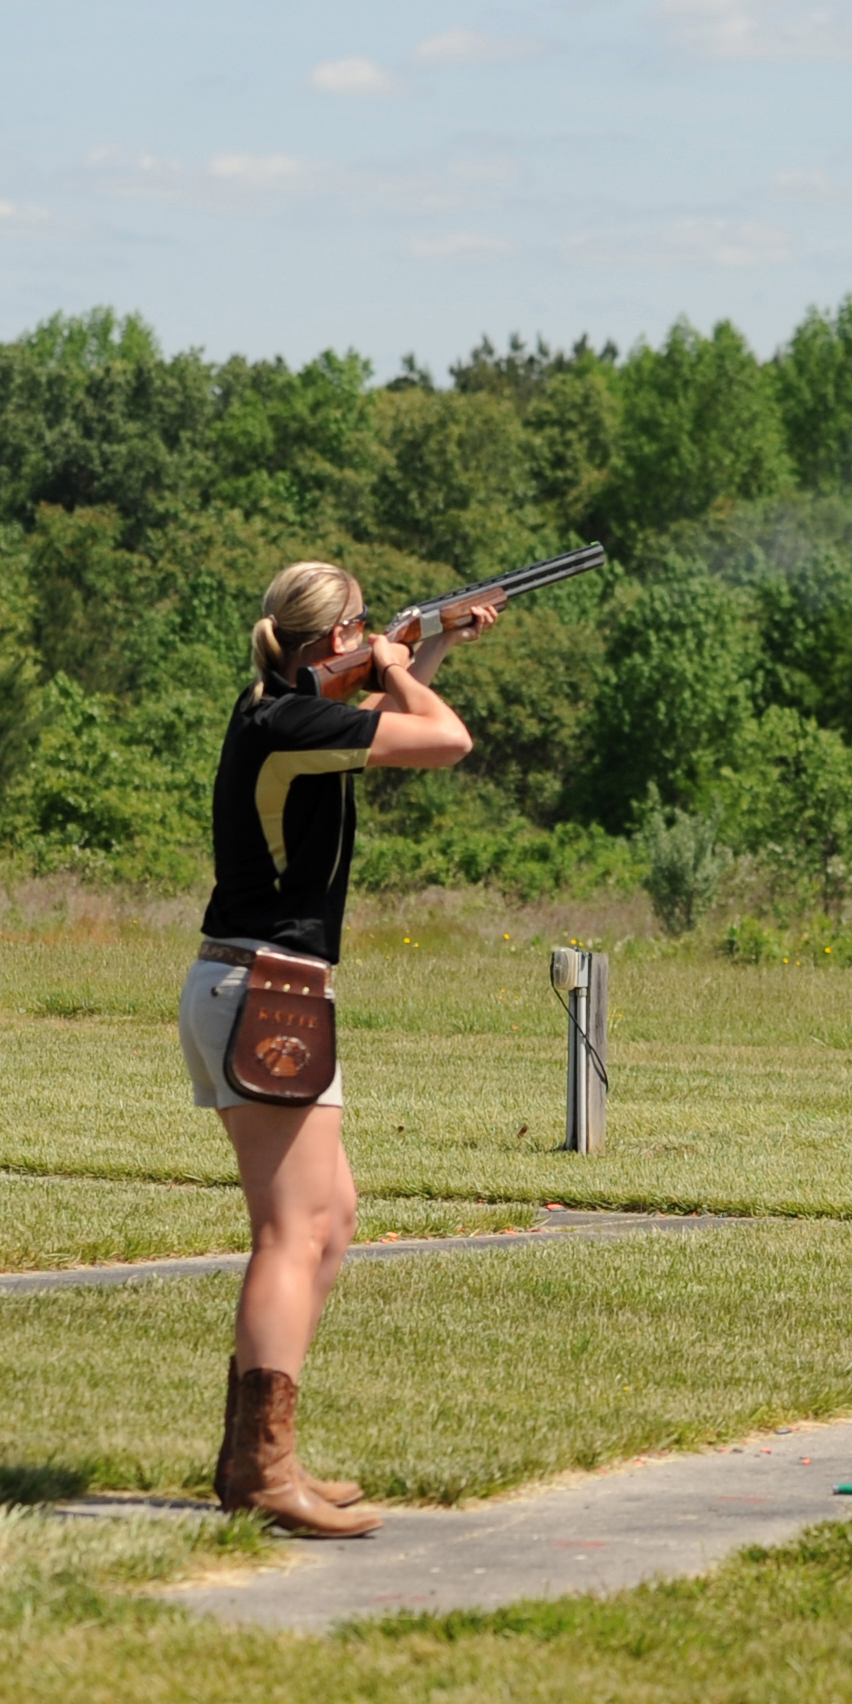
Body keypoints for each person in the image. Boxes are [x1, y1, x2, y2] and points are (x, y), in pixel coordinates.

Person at [186, 561, 493, 1537]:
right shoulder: (288, 723)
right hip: (264, 991)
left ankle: (259, 1450)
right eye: (358, 627)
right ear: (332, 644)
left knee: (335, 1218)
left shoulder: (281, 711)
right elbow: (444, 738)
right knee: (293, 1233)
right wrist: (404, 665)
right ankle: (261, 1471)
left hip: (270, 989)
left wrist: (427, 646)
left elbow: (392, 709)